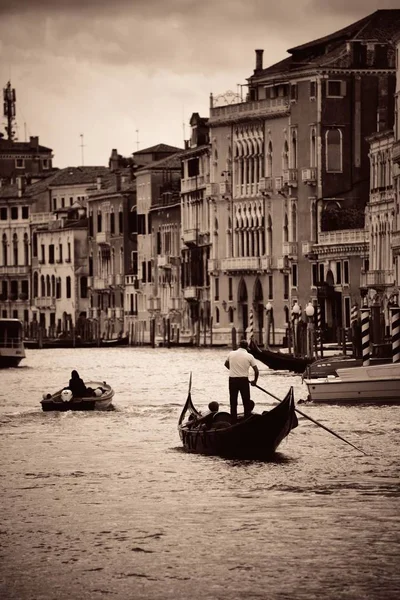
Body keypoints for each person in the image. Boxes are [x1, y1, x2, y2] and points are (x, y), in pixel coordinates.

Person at [224, 339, 259, 422]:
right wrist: (255, 381)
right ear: (247, 347)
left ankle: (233, 420)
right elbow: (256, 371)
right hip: (244, 380)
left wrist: (233, 369)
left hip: (232, 380)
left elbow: (226, 364)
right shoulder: (249, 356)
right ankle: (246, 419)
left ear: (239, 346)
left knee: (233, 401)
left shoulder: (231, 353)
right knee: (246, 401)